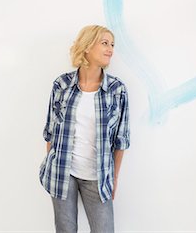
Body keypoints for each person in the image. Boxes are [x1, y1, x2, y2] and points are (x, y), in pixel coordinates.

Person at [39, 25, 130, 233]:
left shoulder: (117, 90)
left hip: (98, 177)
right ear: (87, 46)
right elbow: (50, 132)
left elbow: (121, 140)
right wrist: (52, 166)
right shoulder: (61, 84)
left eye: (112, 44)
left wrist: (114, 178)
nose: (110, 49)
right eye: (105, 43)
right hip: (63, 173)